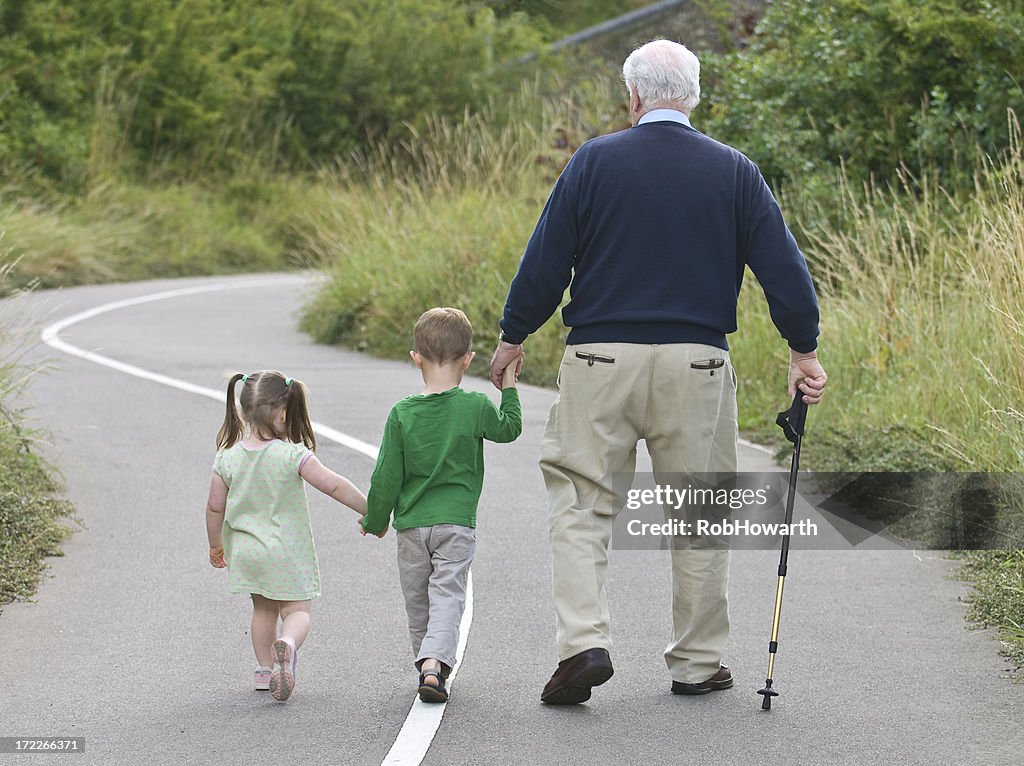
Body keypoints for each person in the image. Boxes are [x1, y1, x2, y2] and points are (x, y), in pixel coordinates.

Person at [488, 39, 828, 705]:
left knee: (582, 502)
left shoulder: (593, 161)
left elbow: (546, 258)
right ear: (693, 96)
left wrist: (512, 336)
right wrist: (803, 349)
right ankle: (697, 664)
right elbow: (784, 269)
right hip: (697, 363)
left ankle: (584, 642)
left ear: (634, 97)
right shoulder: (733, 170)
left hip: (598, 359)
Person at [361, 307, 523, 703]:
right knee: (448, 594)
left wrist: (375, 518)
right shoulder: (475, 406)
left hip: (412, 526)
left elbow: (387, 476)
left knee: (417, 599)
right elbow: (509, 429)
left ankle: (426, 663)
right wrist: (511, 387)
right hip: (456, 524)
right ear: (468, 358)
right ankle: (436, 663)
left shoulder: (402, 413)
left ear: (415, 357)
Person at [205, 370, 367, 702]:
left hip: (249, 552)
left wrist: (216, 544)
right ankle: (288, 645)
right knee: (296, 611)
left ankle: (265, 670)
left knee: (263, 610)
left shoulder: (227, 458)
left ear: (243, 410)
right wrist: (369, 509)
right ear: (282, 412)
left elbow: (213, 506)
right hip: (286, 551)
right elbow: (333, 485)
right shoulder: (292, 455)